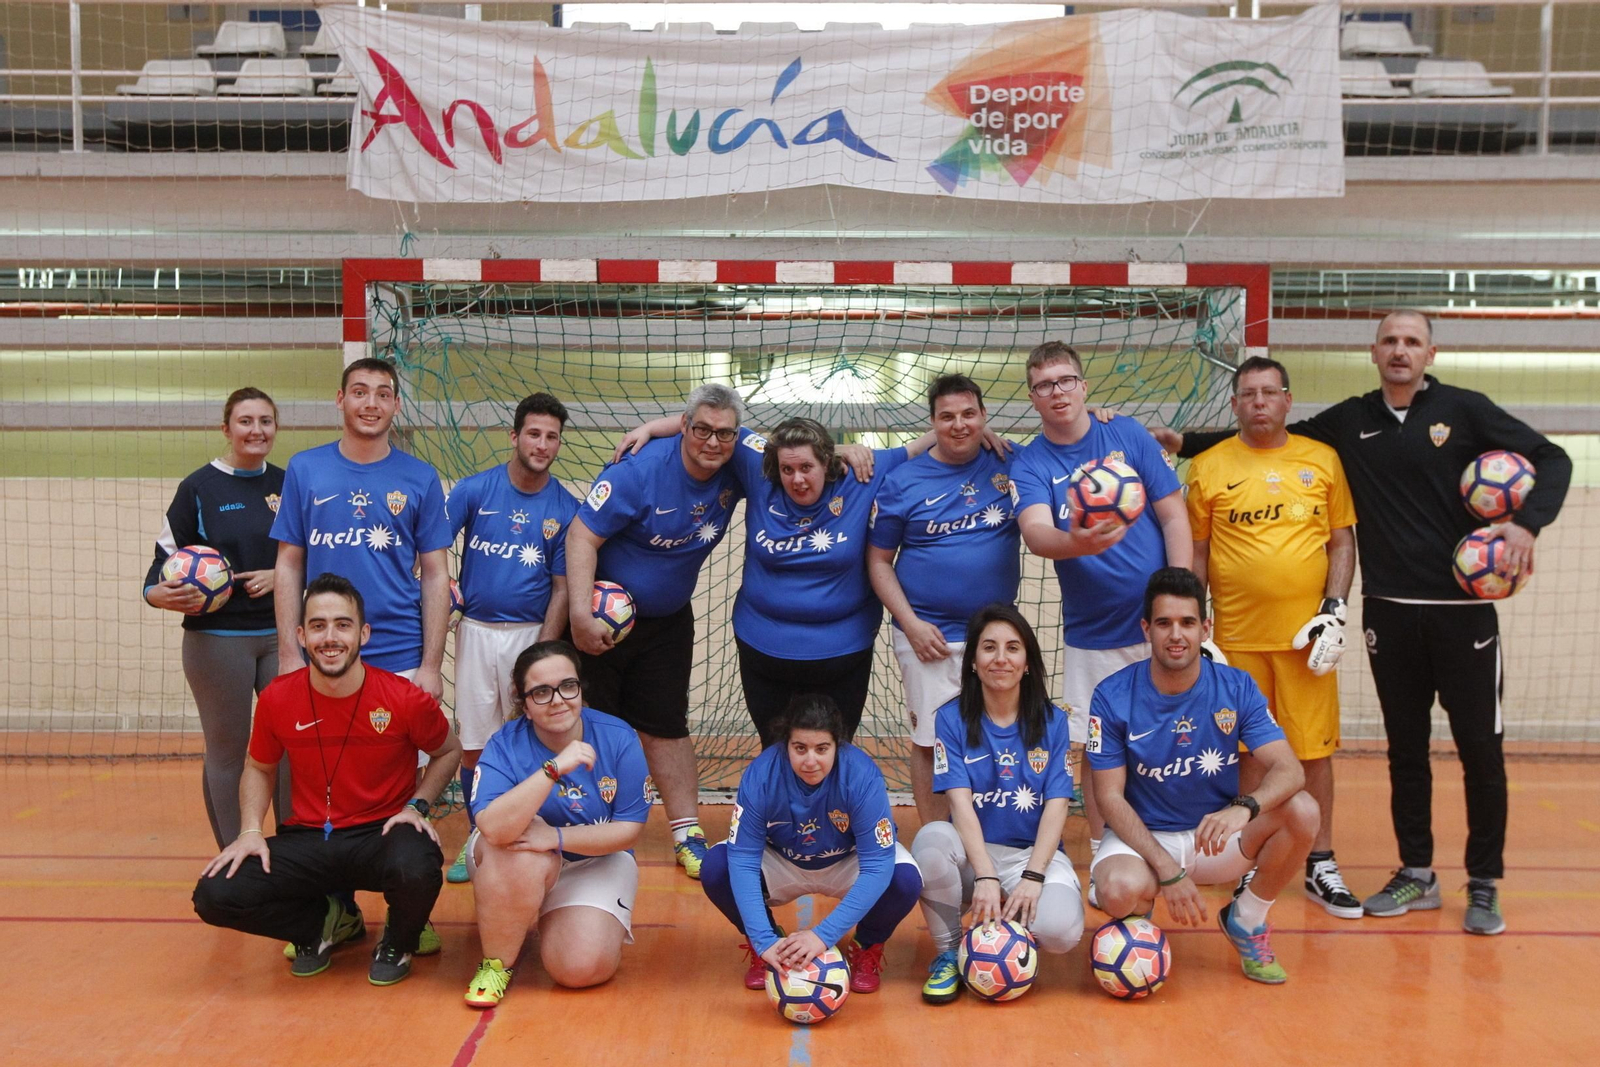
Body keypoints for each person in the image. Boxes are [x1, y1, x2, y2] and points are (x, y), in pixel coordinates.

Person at [1157, 312, 1571, 935]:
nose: (1400, 350)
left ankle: (1483, 881)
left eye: (1412, 341)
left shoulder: (1466, 410)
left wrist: (1524, 523)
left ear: (1430, 351)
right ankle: (1417, 873)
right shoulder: (1351, 421)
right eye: (1390, 341)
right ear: (1373, 352)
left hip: (1465, 614)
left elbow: (1553, 457)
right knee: (1405, 751)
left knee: (1480, 750)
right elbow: (1268, 430)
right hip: (1391, 611)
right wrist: (1181, 443)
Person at [192, 574, 462, 986]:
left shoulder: (403, 698)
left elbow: (449, 750)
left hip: (383, 832)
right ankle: (318, 926)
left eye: (342, 624)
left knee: (419, 865)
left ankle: (399, 939)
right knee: (215, 894)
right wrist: (249, 831)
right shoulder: (278, 698)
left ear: (364, 633)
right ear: (301, 635)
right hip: (311, 838)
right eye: (318, 625)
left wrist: (417, 806)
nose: (330, 637)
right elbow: (259, 767)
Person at [1185, 356, 1360, 918]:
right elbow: (1197, 551)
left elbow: (1341, 542)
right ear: (1234, 405)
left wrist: (1334, 610)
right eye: (1248, 394)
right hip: (1235, 643)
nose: (1259, 402)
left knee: (1313, 755)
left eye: (1269, 392)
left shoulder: (1323, 460)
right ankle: (1249, 860)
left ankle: (1321, 863)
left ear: (1287, 400)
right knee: (1247, 756)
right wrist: (1197, 623)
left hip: (1308, 646)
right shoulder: (1208, 467)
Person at [1009, 341, 1191, 869]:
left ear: (1084, 386)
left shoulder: (1127, 434)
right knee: (1097, 749)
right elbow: (1038, 533)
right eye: (1045, 385)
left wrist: (1181, 600)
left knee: (1177, 735)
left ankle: (1182, 841)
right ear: (1033, 397)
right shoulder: (1031, 463)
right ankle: (1103, 851)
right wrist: (1082, 543)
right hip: (1092, 634)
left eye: (1066, 380)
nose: (1057, 392)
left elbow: (1175, 517)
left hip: (1160, 626)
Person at [1088, 568, 1318, 984]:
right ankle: (1139, 921)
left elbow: (1290, 769)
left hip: (1213, 838)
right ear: (1146, 629)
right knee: (1118, 891)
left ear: (1205, 628)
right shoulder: (1111, 695)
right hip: (1145, 840)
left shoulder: (1236, 687)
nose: (1176, 635)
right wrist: (1168, 872)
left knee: (1302, 811)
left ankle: (1246, 920)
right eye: (1164, 623)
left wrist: (1244, 808)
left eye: (1187, 623)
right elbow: (1110, 799)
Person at [564, 383, 752, 879]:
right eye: (702, 430)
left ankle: (687, 831)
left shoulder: (734, 457)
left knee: (666, 725)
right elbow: (581, 534)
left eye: (724, 433)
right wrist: (581, 615)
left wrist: (852, 449)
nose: (713, 442)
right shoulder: (639, 471)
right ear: (685, 428)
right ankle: (588, 828)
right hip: (602, 621)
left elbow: (787, 449)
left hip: (668, 621)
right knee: (590, 725)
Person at [461, 640, 649, 1007]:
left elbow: (628, 830)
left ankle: (562, 917)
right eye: (542, 692)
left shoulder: (619, 737)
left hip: (593, 861)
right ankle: (496, 963)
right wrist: (553, 769)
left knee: (578, 970)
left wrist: (555, 837)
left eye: (568, 686)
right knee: (520, 852)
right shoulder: (503, 745)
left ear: (580, 687)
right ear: (525, 704)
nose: (558, 700)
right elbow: (494, 829)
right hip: (513, 856)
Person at [912, 604, 1083, 1005]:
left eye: (1012, 648)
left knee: (1061, 933)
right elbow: (961, 804)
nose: (1001, 658)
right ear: (972, 662)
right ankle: (950, 953)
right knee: (931, 841)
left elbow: (1058, 805)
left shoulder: (1054, 721)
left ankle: (1006, 943)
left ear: (1027, 662)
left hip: (1032, 856)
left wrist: (1034, 876)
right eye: (989, 648)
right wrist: (987, 876)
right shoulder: (950, 719)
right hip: (976, 857)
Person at [869, 374, 1021, 825]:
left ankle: (993, 835)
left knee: (1000, 734)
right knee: (930, 741)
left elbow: (1068, 443)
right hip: (927, 637)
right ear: (932, 422)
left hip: (993, 636)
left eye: (969, 414)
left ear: (984, 417)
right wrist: (910, 624)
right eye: (947, 416)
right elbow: (878, 562)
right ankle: (938, 839)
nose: (959, 425)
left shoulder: (1010, 461)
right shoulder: (902, 481)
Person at [143, 387, 290, 848]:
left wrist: (279, 575)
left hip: (282, 636)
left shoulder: (289, 484)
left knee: (289, 749)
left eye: (265, 421)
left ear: (275, 429)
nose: (256, 430)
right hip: (217, 640)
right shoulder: (199, 487)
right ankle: (236, 855)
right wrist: (158, 595)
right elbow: (157, 569)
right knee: (228, 752)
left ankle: (293, 853)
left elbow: (311, 556)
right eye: (245, 421)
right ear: (226, 429)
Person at [443, 392, 580, 883]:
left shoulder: (566, 507)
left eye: (552, 437)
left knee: (534, 740)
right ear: (514, 435)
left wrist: (543, 653)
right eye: (534, 433)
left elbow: (563, 588)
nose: (542, 444)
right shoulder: (473, 491)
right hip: (478, 633)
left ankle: (535, 832)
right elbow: (430, 554)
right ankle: (478, 838)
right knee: (477, 745)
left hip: (531, 635)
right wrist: (443, 598)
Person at [701, 694, 923, 994]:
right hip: (784, 861)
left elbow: (877, 865)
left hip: (847, 861)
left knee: (905, 879)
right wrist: (763, 938)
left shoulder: (861, 775)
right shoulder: (761, 774)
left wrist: (823, 935)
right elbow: (743, 858)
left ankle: (867, 944)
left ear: (838, 746)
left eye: (822, 749)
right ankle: (770, 945)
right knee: (717, 867)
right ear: (785, 745)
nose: (810, 760)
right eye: (800, 748)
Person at [270, 358, 453, 699]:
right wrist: (289, 655)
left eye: (383, 395)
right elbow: (289, 565)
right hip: (325, 651)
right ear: (340, 399)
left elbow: (435, 575)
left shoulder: (421, 477)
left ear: (396, 405)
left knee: (403, 753)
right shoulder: (304, 469)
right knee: (326, 755)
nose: (371, 404)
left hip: (401, 652)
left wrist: (430, 666)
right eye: (359, 392)